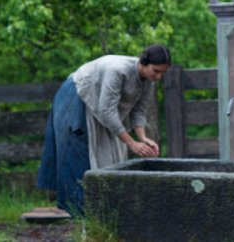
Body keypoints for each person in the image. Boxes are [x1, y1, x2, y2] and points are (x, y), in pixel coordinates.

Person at [37, 44, 172, 216]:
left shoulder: (149, 81)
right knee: (79, 151)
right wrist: (131, 143)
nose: (159, 76)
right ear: (144, 63)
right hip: (78, 95)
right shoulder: (118, 70)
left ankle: (103, 213)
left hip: (102, 108)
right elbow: (107, 111)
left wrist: (142, 138)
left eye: (163, 73)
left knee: (111, 155)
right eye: (156, 71)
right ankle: (80, 216)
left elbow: (139, 111)